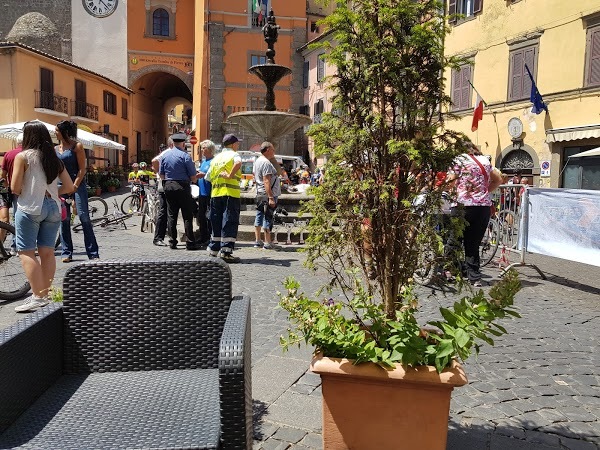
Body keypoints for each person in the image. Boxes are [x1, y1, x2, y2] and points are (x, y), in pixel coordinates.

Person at [11, 121, 74, 312]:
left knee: (26, 252)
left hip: (30, 207)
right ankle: (44, 294)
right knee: (47, 252)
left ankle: (38, 297)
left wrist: (33, 191)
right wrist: (52, 192)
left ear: (27, 136)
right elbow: (70, 187)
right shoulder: (54, 158)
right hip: (53, 207)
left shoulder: (23, 157)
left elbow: (14, 188)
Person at [447, 143, 502, 286]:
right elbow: (498, 180)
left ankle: (449, 270)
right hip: (483, 207)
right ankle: (475, 277)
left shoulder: (458, 160)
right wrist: (484, 192)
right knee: (473, 243)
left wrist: (446, 187)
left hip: (463, 206)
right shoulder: (485, 161)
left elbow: (451, 180)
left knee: (454, 240)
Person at [56, 120, 100, 262]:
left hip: (77, 185)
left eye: (57, 130)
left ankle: (93, 252)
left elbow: (82, 169)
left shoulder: (77, 146)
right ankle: (66, 252)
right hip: (61, 186)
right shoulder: (55, 149)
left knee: (84, 217)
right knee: (64, 219)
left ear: (63, 132)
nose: (55, 132)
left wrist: (74, 186)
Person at [158, 132, 203, 250]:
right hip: (182, 186)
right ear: (183, 143)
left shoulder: (164, 156)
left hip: (168, 185)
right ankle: (190, 242)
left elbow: (161, 175)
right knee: (187, 215)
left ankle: (172, 242)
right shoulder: (185, 156)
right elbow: (193, 178)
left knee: (171, 214)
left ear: (172, 143)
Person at [206, 133, 242, 263]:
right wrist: (230, 175)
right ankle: (226, 251)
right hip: (230, 194)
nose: (238, 145)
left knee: (215, 221)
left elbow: (208, 177)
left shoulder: (216, 158)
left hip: (215, 194)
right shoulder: (233, 155)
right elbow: (238, 163)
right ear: (232, 144)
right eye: (237, 143)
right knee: (229, 221)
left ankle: (214, 249)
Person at [253, 141, 281, 250]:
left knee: (259, 215)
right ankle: (268, 242)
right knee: (268, 217)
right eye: (273, 150)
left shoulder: (257, 161)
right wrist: (271, 197)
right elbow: (266, 181)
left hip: (260, 193)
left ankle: (258, 241)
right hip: (268, 194)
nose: (274, 152)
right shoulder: (266, 163)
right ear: (268, 150)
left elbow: (255, 176)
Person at [0, 133, 23, 243]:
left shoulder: (8, 154)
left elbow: (3, 176)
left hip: (12, 190)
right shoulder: (30, 154)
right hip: (28, 190)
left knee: (13, 217)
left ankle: (13, 244)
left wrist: (7, 187)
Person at [150, 139, 173, 246]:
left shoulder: (172, 153)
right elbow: (154, 161)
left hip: (170, 186)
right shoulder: (167, 152)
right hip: (164, 186)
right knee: (164, 212)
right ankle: (158, 237)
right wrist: (161, 174)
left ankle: (169, 237)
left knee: (169, 212)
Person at [197, 140, 215, 246]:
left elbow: (215, 176)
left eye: (203, 148)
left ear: (209, 149)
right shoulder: (204, 161)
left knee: (209, 217)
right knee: (202, 216)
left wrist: (203, 175)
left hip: (209, 193)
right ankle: (203, 237)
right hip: (201, 193)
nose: (202, 150)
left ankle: (209, 237)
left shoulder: (213, 161)